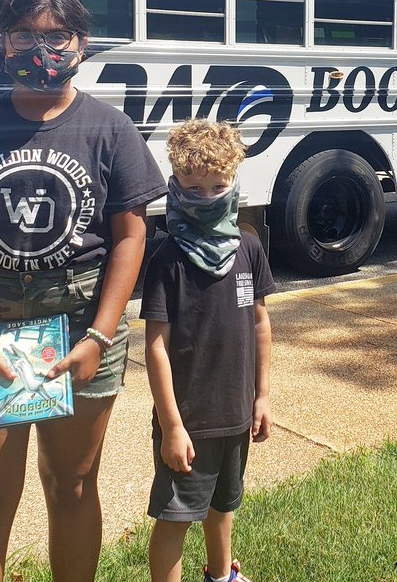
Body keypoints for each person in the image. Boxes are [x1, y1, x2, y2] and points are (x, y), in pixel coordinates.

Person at [0, 0, 166, 582]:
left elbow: (131, 238)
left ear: (82, 44)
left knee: (73, 485)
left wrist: (100, 338)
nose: (41, 48)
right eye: (25, 34)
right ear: (3, 44)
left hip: (81, 325)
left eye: (56, 36)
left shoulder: (110, 128)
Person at [140, 118, 275, 582]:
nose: (206, 197)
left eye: (218, 186)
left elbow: (260, 323)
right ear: (175, 183)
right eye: (193, 188)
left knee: (224, 506)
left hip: (236, 411)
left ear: (234, 180)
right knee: (176, 517)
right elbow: (155, 347)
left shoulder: (249, 247)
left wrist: (262, 397)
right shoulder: (166, 258)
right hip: (189, 420)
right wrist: (172, 426)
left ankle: (222, 575)